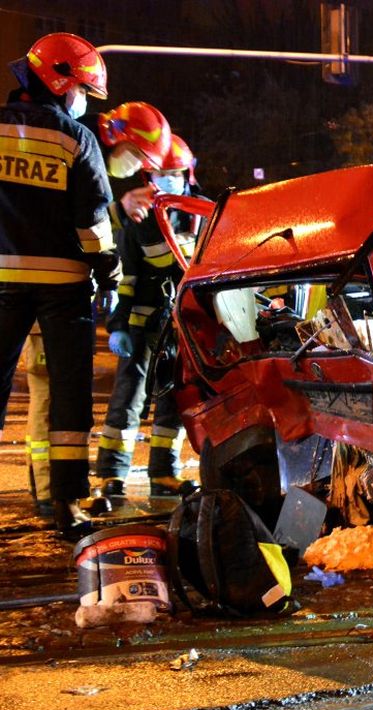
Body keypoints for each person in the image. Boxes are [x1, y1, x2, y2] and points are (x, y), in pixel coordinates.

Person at [19, 99, 173, 520]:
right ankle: (53, 495)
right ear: (121, 143)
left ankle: (58, 493)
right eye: (140, 156)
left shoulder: (80, 153)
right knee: (50, 398)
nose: (141, 168)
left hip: (51, 298)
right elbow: (72, 223)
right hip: (41, 297)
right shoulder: (76, 148)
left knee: (60, 399)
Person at [0, 32, 121, 534]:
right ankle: (68, 504)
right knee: (69, 398)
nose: (81, 103)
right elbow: (92, 221)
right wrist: (109, 269)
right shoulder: (76, 140)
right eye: (83, 93)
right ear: (59, 81)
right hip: (63, 286)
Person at [95, 134, 200, 503]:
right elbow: (127, 278)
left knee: (175, 402)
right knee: (128, 401)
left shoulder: (203, 214)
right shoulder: (141, 218)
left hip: (184, 328)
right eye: (161, 174)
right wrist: (119, 326)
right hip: (143, 326)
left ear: (187, 172)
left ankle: (165, 474)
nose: (168, 180)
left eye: (174, 173)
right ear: (148, 179)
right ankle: (111, 476)